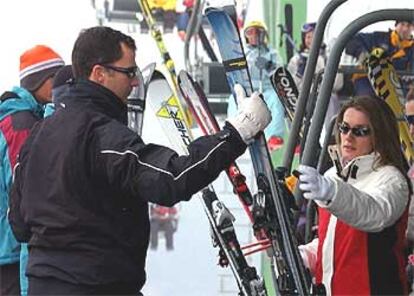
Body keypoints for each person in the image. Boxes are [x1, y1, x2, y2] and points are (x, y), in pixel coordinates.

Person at [8, 26, 271, 295]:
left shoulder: (37, 135)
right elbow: (172, 178)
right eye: (128, 72)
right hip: (94, 286)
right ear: (99, 74)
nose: (135, 82)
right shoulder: (101, 135)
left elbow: (18, 224)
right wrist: (237, 133)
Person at [298, 96, 411, 295]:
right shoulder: (332, 176)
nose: (348, 137)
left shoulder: (392, 179)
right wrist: (306, 255)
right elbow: (334, 241)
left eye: (360, 131)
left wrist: (332, 192)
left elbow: (374, 213)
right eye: (344, 128)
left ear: (379, 135)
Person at [0, 45, 64, 296]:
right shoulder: (21, 124)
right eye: (56, 79)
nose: (62, 87)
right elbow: (27, 197)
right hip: (11, 252)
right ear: (40, 81)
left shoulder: (15, 117)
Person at [228, 20, 285, 151]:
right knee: (233, 100)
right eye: (250, 32)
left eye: (258, 32)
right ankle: (234, 132)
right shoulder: (242, 52)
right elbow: (234, 69)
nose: (254, 36)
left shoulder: (271, 53)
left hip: (266, 88)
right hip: (248, 88)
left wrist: (268, 65)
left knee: (276, 101)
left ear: (263, 34)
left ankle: (275, 136)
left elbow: (280, 71)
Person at [346, 20, 414, 96]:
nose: (405, 29)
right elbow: (350, 39)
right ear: (396, 25)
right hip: (368, 79)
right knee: (367, 99)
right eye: (402, 24)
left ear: (413, 28)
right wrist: (361, 54)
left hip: (396, 85)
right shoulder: (378, 38)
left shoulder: (412, 50)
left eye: (408, 26)